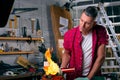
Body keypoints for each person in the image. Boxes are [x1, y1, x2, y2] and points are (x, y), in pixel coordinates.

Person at [60, 6, 108, 80]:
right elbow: (67, 53)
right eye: (81, 20)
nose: (82, 25)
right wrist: (62, 69)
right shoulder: (70, 34)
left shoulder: (100, 31)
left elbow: (101, 56)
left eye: (87, 23)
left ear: (94, 23)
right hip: (73, 75)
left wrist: (88, 78)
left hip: (93, 76)